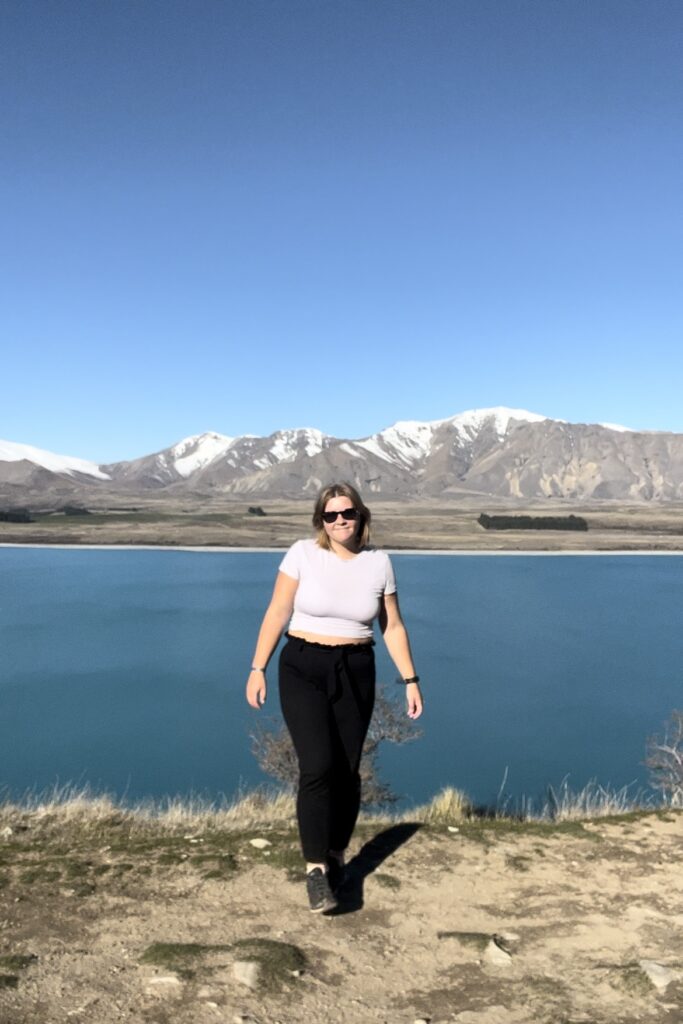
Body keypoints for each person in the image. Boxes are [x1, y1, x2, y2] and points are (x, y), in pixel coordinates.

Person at [246, 482, 423, 913]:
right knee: (318, 766)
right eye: (331, 515)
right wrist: (257, 667)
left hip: (357, 667)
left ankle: (337, 854)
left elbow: (392, 626)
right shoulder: (302, 554)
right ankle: (315, 870)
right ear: (320, 521)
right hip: (303, 666)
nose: (340, 520)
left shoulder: (379, 563)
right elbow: (277, 611)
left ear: (361, 516)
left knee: (347, 771)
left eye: (348, 513)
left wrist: (411, 679)